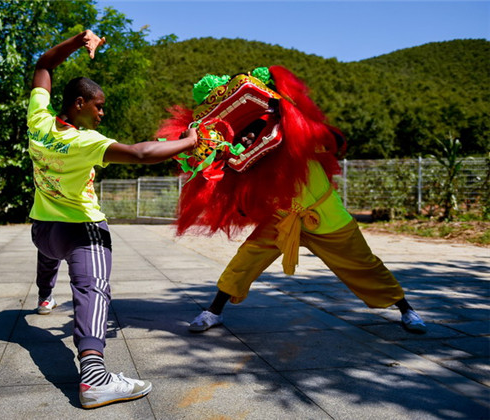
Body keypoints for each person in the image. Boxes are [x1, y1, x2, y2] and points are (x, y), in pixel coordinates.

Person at [154, 67, 427, 336]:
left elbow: (335, 140)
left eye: (251, 128)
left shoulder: (300, 136)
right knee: (244, 262)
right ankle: (214, 311)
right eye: (242, 132)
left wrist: (296, 121)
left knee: (364, 265)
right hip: (280, 219)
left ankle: (406, 309)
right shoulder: (245, 158)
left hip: (326, 216)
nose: (247, 135)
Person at [27, 29, 198, 409]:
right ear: (79, 103)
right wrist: (190, 141)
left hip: (43, 231)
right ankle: (95, 379)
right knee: (92, 290)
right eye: (98, 106)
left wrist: (77, 40)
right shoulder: (85, 142)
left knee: (49, 257)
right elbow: (140, 154)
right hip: (82, 232)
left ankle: (43, 298)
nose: (101, 113)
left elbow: (43, 64)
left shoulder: (38, 120)